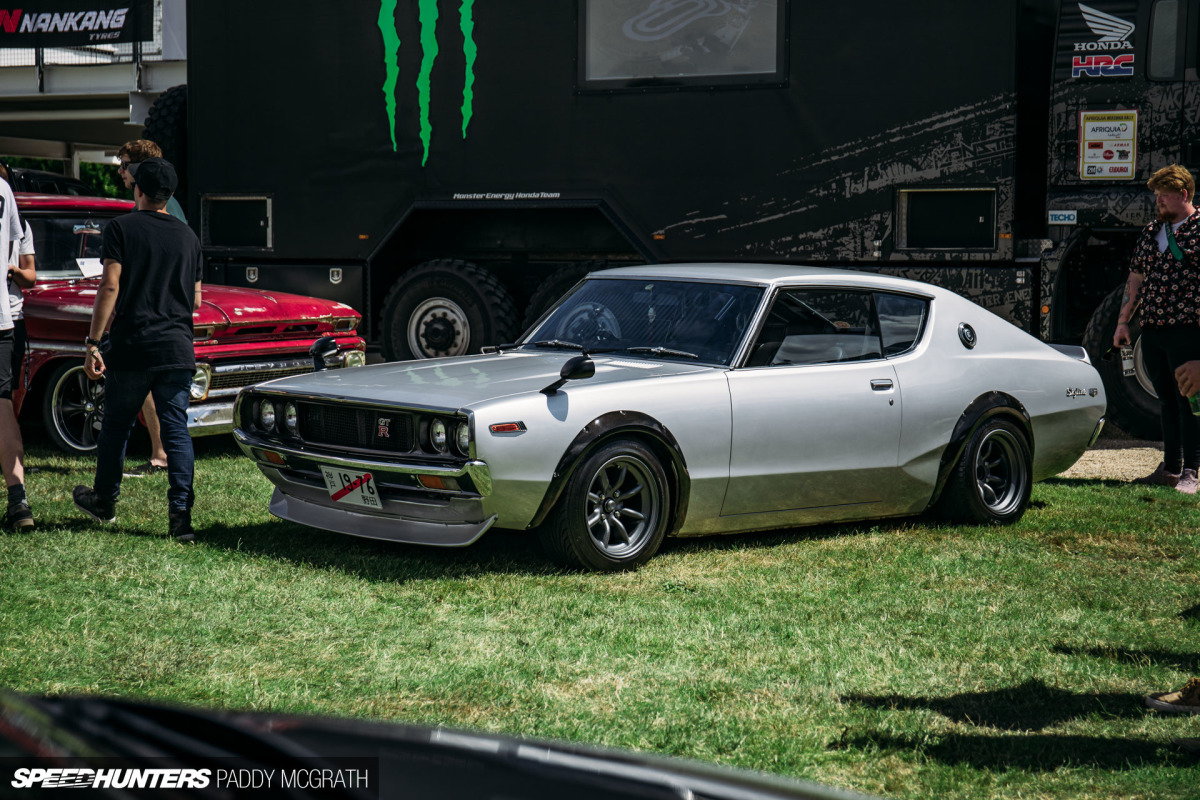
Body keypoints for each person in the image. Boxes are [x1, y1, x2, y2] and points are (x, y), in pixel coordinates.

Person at [73, 157, 202, 542]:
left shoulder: (121, 228)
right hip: (177, 346)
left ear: (138, 189)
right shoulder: (188, 237)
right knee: (176, 431)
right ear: (170, 194)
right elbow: (195, 300)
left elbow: (109, 286)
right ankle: (180, 518)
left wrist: (93, 342)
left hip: (133, 345)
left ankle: (104, 501)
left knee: (116, 426)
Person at [1113, 164, 1200, 494]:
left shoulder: (1198, 228)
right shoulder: (1152, 231)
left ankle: (1192, 469)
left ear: (1183, 194)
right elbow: (1136, 279)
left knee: (1190, 401)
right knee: (1166, 399)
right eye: (1156, 196)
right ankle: (1170, 467)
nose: (1159, 201)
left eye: (1164, 195)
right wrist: (1123, 322)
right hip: (1153, 328)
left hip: (1188, 329)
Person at [115, 139, 187, 477]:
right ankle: (163, 455)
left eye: (124, 163)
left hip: (152, 320)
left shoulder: (152, 208)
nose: (120, 170)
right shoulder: (169, 203)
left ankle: (160, 455)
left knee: (143, 393)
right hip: (171, 323)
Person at [0, 165, 32, 528]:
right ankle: (18, 500)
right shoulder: (4, 191)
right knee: (2, 403)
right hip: (2, 317)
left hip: (8, 314)